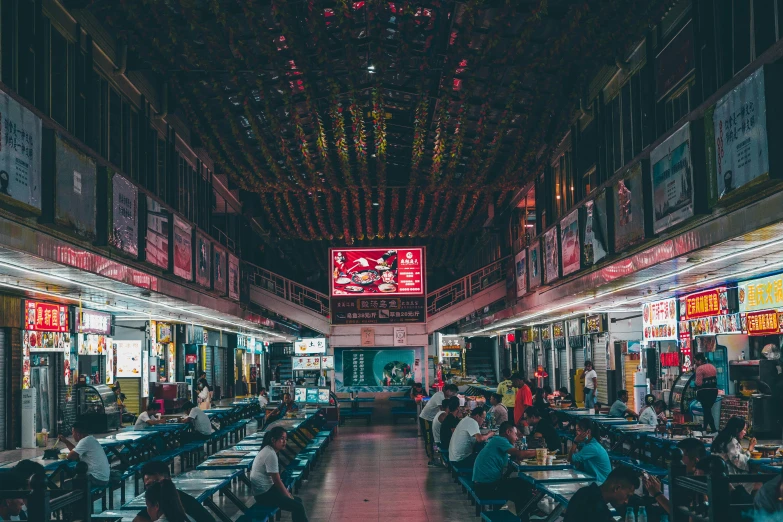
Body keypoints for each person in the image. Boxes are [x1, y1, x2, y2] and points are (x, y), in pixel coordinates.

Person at [472, 421, 537, 513]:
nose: (516, 437)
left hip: (482, 485)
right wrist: (539, 452)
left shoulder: (496, 441)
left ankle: (526, 513)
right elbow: (520, 454)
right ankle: (527, 514)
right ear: (508, 432)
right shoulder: (500, 440)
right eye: (515, 434)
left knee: (520, 485)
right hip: (486, 488)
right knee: (522, 486)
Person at [250, 426, 309, 522]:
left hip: (267, 491)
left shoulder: (269, 450)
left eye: (285, 439)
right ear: (273, 440)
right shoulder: (270, 454)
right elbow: (276, 480)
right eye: (282, 439)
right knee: (298, 506)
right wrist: (287, 494)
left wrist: (287, 494)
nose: (284, 442)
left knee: (298, 501)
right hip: (264, 495)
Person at [132, 461, 214, 522]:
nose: (153, 488)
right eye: (148, 485)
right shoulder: (159, 504)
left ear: (169, 480)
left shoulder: (185, 503)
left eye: (157, 483)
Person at [642, 438, 707, 515]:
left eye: (682, 456)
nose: (674, 460)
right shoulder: (683, 477)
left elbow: (679, 515)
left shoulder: (701, 483)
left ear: (695, 461)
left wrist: (657, 494)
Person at [563, 467, 640, 522]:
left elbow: (610, 515)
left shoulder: (586, 492)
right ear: (617, 488)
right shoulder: (595, 507)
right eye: (627, 496)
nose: (626, 501)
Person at [712, 416, 757, 497]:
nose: (745, 432)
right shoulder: (731, 441)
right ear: (737, 430)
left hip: (722, 476)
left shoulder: (721, 438)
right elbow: (739, 462)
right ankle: (750, 506)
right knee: (759, 483)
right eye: (744, 429)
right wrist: (750, 449)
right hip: (732, 479)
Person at [57, 420, 111, 486]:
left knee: (65, 485)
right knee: (74, 473)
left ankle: (79, 496)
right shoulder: (90, 439)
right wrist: (66, 441)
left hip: (97, 479)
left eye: (73, 433)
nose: (72, 435)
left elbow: (71, 456)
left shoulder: (85, 441)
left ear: (78, 434)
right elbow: (76, 454)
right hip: (103, 478)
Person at [419, 384, 459, 467]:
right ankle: (430, 460)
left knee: (433, 437)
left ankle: (437, 458)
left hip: (432, 418)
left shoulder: (445, 397)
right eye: (453, 392)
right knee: (429, 438)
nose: (453, 394)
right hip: (426, 418)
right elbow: (444, 410)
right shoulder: (439, 396)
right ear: (448, 391)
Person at [568, 417, 612, 484]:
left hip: (601, 483)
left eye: (579, 430)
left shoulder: (592, 447)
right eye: (576, 430)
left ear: (588, 432)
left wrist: (575, 442)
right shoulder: (589, 443)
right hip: (596, 480)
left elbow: (570, 459)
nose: (577, 433)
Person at [693, 353, 719, 433]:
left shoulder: (700, 369)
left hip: (704, 392)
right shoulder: (712, 367)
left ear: (700, 360)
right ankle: (707, 429)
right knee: (707, 410)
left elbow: (698, 383)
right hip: (714, 392)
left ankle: (710, 429)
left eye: (696, 361)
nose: (695, 363)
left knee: (707, 410)